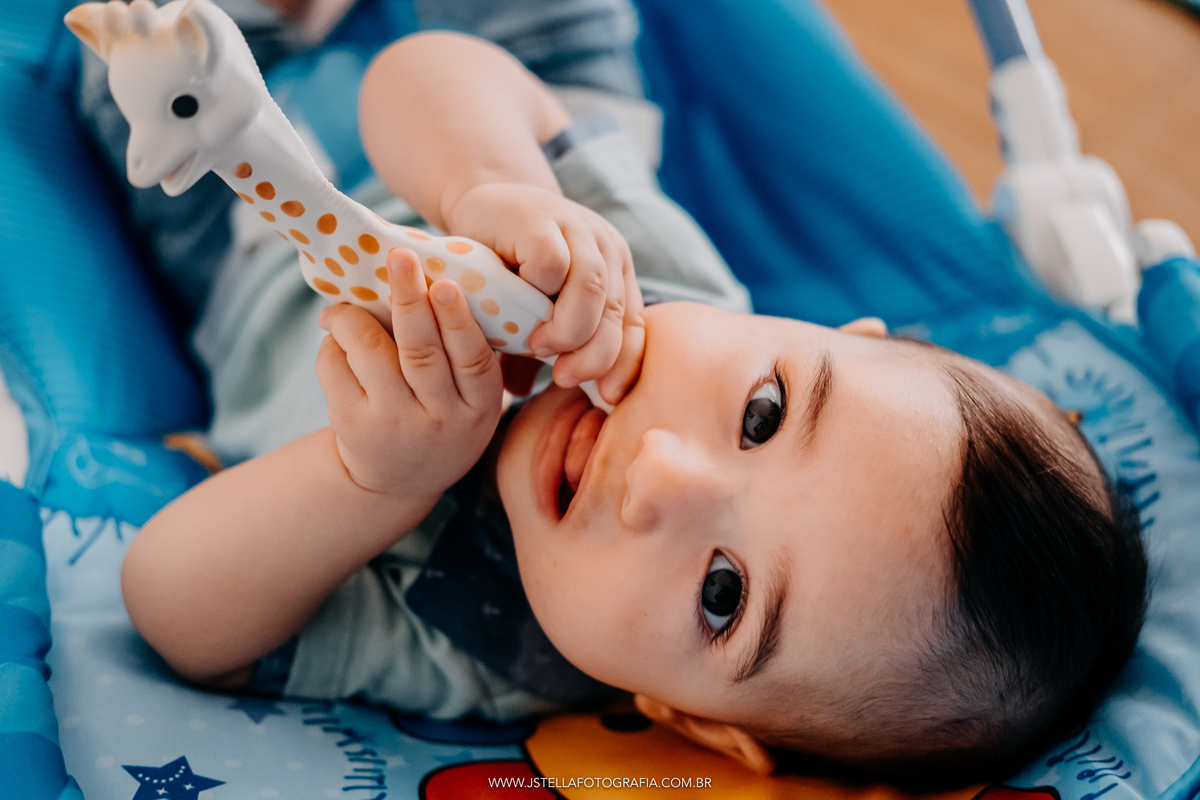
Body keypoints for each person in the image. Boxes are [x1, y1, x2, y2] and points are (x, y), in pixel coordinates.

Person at [109, 6, 1147, 790]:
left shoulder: (479, 633)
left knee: (130, 73)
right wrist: (491, 189)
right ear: (827, 335)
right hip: (472, 118)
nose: (658, 471)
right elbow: (419, 76)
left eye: (724, 595)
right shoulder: (653, 280)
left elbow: (170, 604)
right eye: (764, 414)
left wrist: (369, 481)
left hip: (239, 235)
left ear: (691, 719)